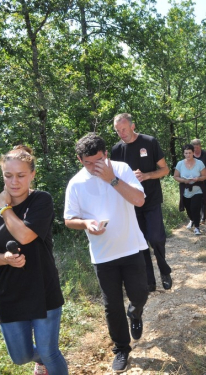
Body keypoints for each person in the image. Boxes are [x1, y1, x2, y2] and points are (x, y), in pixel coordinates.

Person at [64, 133, 149, 373]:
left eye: (98, 161)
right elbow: (69, 219)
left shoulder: (121, 169)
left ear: (106, 155)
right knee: (112, 306)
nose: (93, 167)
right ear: (79, 159)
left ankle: (136, 311)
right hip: (102, 255)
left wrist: (112, 179)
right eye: (87, 162)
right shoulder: (76, 183)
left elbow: (140, 200)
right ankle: (121, 349)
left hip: (131, 247)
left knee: (140, 294)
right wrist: (86, 224)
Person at [0, 146, 68, 375]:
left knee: (50, 352)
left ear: (32, 175)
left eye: (21, 175)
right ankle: (43, 360)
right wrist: (5, 259)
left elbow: (24, 235)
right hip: (8, 293)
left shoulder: (41, 200)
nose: (14, 182)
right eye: (8, 175)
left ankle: (51, 360)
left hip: (42, 289)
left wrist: (4, 208)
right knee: (20, 356)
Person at [111, 113, 172, 293]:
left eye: (123, 128)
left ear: (132, 126)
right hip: (130, 202)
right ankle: (149, 280)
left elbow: (165, 170)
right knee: (140, 242)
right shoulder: (116, 150)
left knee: (156, 238)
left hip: (151, 199)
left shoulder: (149, 142)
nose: (121, 133)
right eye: (117, 131)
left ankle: (164, 270)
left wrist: (146, 175)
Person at [173, 144, 206, 235]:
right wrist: (184, 180)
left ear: (193, 153)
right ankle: (192, 220)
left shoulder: (199, 163)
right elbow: (175, 176)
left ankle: (197, 227)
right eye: (186, 153)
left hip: (197, 189)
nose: (188, 155)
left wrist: (198, 179)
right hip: (185, 189)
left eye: (189, 153)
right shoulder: (180, 164)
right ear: (184, 154)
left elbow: (205, 176)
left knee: (195, 207)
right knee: (188, 208)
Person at [191, 139, 206, 222]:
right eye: (194, 148)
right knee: (195, 197)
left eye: (198, 148)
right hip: (193, 180)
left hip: (204, 179)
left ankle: (203, 215)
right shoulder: (190, 154)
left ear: (200, 147)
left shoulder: (205, 154)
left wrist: (205, 171)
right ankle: (196, 215)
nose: (196, 150)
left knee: (203, 197)